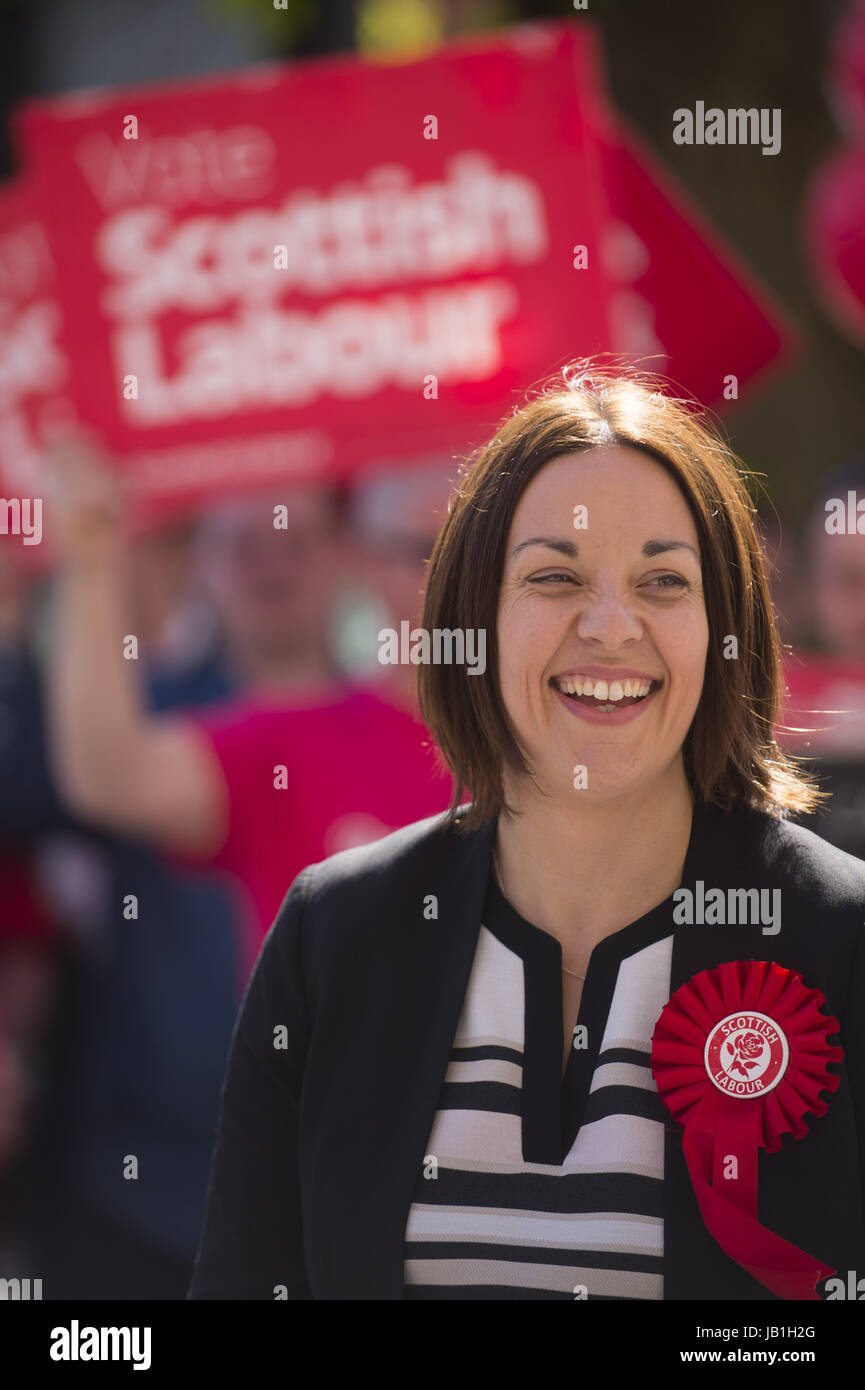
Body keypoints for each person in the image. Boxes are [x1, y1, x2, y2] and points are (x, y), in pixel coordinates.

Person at [188, 360, 865, 1301]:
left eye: (663, 582)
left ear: (724, 631)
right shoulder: (332, 933)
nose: (610, 626)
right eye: (553, 575)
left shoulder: (844, 940)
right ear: (474, 616)